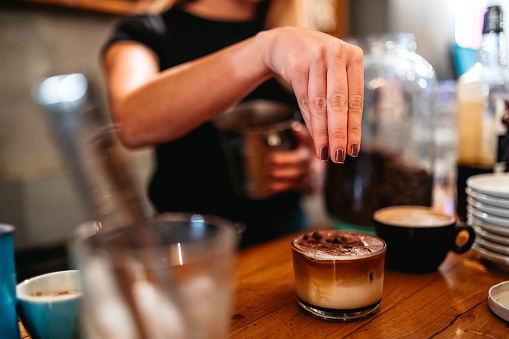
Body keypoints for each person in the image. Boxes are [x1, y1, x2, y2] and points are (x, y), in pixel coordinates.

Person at [101, 0, 364, 246]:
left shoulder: (293, 36)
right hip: (189, 245)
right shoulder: (147, 29)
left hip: (284, 240)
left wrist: (312, 171)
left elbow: (317, 177)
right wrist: (263, 49)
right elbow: (132, 122)